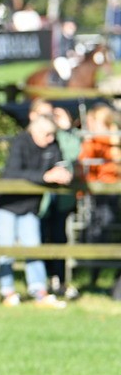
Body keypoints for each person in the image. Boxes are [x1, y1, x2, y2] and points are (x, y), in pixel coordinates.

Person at [0, 115, 71, 308]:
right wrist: (44, 176)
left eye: (53, 135)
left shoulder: (52, 145)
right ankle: (7, 291)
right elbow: (12, 174)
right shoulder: (20, 142)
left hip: (30, 207)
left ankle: (39, 291)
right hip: (8, 205)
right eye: (47, 135)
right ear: (34, 131)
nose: (51, 139)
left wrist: (65, 174)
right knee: (6, 250)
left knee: (34, 248)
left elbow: (60, 165)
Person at [77, 104, 121, 296]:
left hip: (112, 191)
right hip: (101, 192)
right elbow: (84, 161)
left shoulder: (107, 140)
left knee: (104, 229)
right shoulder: (99, 141)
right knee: (100, 230)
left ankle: (100, 273)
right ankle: (94, 273)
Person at [43, 106, 82, 298]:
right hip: (41, 199)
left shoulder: (68, 137)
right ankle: (42, 282)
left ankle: (59, 279)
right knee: (41, 237)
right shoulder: (43, 133)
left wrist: (66, 129)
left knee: (59, 237)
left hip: (62, 199)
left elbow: (73, 154)